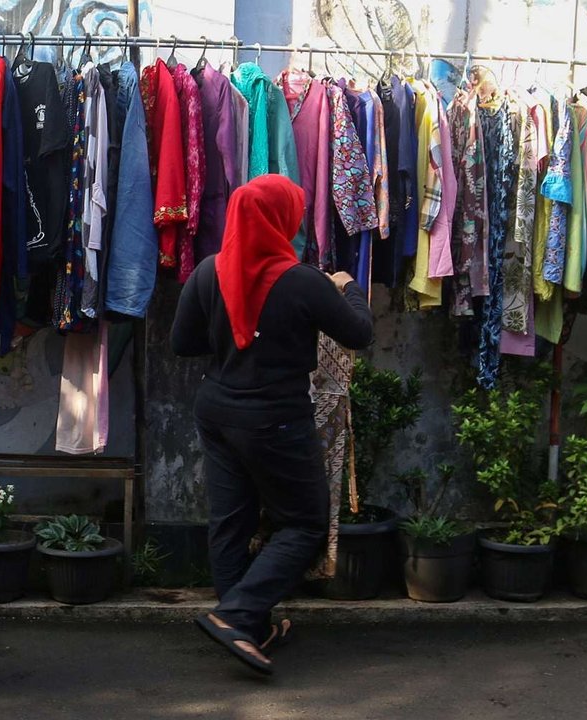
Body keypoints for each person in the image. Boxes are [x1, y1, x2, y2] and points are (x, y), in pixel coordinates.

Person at [170, 174, 374, 675]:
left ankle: (250, 627)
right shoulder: (303, 280)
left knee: (231, 521)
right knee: (304, 524)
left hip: (217, 410)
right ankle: (237, 615)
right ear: (282, 219)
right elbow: (359, 333)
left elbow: (183, 343)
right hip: (274, 418)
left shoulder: (207, 272)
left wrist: (232, 341)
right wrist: (349, 289)